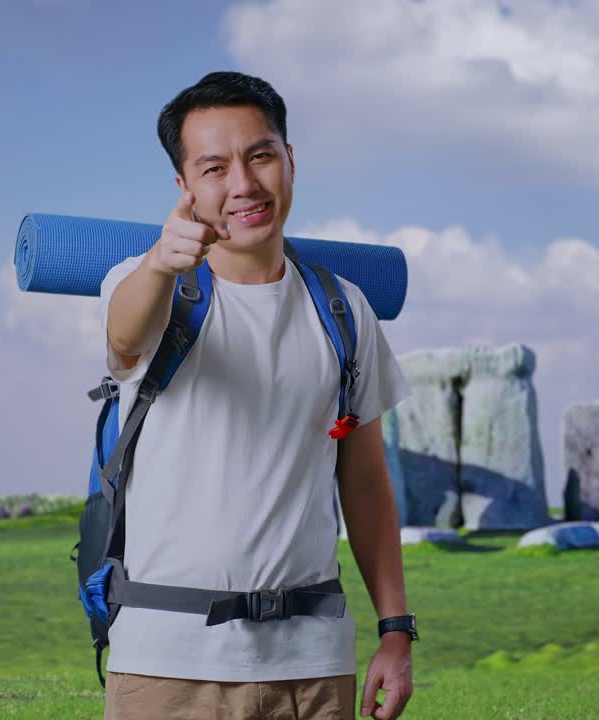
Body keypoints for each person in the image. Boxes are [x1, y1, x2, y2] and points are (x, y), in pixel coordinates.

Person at [98, 70, 415, 720]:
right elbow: (124, 339)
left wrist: (395, 629)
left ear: (290, 160)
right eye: (214, 168)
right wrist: (159, 263)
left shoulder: (345, 309)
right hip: (167, 666)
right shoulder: (147, 286)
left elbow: (365, 483)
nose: (243, 184)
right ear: (184, 188)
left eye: (260, 156)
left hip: (313, 666)